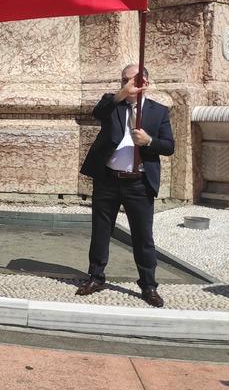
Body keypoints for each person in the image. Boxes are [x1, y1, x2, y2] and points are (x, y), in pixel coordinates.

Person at [77, 64, 174, 308]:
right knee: (101, 231)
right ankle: (96, 277)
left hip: (138, 182)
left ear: (146, 83)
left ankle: (148, 285)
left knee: (143, 236)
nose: (127, 84)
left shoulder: (158, 112)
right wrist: (122, 93)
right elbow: (98, 112)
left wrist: (149, 141)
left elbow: (169, 146)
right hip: (108, 179)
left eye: (133, 80)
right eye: (123, 80)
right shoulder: (113, 104)